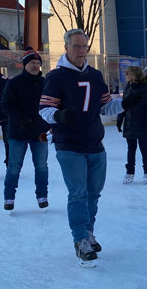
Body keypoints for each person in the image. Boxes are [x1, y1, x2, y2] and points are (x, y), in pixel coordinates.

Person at [38, 29, 121, 267]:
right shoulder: (56, 77)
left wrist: (128, 102)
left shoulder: (95, 75)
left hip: (95, 143)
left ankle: (88, 232)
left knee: (94, 194)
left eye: (84, 46)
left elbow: (105, 108)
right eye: (76, 46)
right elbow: (43, 109)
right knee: (78, 193)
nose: (81, 51)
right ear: (66, 48)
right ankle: (80, 240)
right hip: (69, 146)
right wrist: (59, 115)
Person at [1, 47, 50, 210]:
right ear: (24, 65)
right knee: (14, 166)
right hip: (18, 132)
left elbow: (52, 104)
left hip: (40, 132)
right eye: (32, 63)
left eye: (37, 63)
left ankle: (42, 195)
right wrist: (22, 120)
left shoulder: (46, 83)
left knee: (41, 165)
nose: (35, 66)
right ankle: (9, 197)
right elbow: (6, 105)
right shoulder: (14, 83)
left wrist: (49, 124)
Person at [121, 66, 147, 184]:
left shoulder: (144, 88)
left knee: (144, 148)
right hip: (130, 122)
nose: (125, 75)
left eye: (127, 73)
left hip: (142, 122)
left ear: (134, 75)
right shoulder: (127, 87)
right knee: (131, 149)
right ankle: (130, 172)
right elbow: (124, 104)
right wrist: (120, 117)